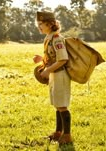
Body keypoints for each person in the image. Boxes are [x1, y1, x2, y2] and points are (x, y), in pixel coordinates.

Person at [33, 11, 73, 145]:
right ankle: (58, 132)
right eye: (38, 24)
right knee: (57, 104)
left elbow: (62, 59)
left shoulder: (57, 38)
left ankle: (67, 136)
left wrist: (47, 70)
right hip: (54, 75)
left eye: (41, 24)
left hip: (60, 75)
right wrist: (41, 59)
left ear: (50, 24)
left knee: (62, 105)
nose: (39, 26)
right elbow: (52, 57)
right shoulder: (48, 37)